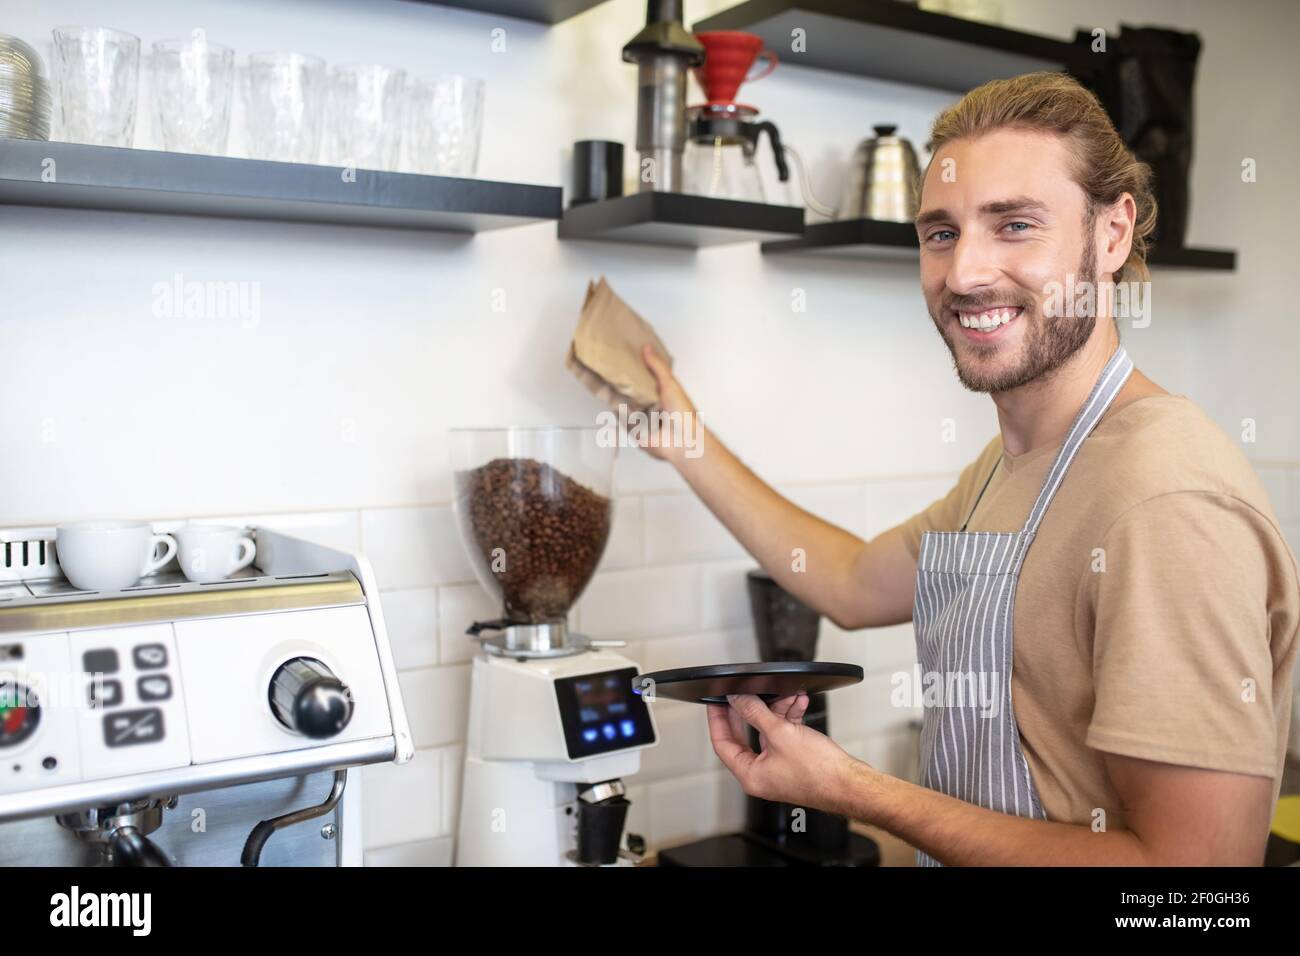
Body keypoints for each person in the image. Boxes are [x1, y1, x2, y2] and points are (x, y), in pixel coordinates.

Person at [637, 71, 1299, 866]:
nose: (965, 275)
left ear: (1112, 232)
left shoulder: (1167, 501)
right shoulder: (1011, 464)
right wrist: (684, 439)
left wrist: (854, 791)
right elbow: (847, 581)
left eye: (1015, 225)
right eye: (941, 233)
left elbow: (1191, 889)